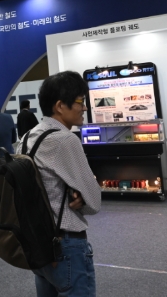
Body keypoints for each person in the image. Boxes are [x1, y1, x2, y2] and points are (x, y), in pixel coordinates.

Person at [16, 71, 101, 297]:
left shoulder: (26, 138)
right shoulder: (65, 140)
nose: (84, 108)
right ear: (60, 106)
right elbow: (94, 202)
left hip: (37, 241)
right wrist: (84, 194)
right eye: (80, 101)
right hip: (66, 244)